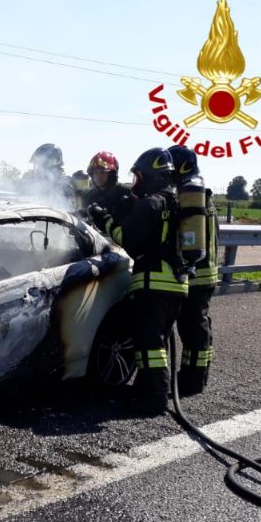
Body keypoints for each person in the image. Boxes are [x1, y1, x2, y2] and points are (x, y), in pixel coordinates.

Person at [89, 148, 187, 414]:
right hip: (177, 283)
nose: (137, 181)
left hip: (153, 282)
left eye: (140, 176)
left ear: (151, 176)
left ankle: (154, 400)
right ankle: (148, 391)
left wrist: (104, 219)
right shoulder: (178, 202)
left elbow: (126, 238)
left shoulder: (150, 204)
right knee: (159, 343)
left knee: (148, 346)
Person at [167, 144, 218, 395]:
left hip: (197, 273)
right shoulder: (200, 193)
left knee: (193, 328)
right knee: (196, 326)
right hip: (202, 272)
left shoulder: (191, 194)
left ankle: (193, 381)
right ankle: (193, 377)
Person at [83, 151, 134, 224]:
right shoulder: (90, 196)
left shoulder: (128, 192)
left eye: (103, 172)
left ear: (112, 174)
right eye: (95, 173)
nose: (98, 177)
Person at [20, 143, 74, 208]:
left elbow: (67, 212)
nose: (37, 170)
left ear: (50, 164)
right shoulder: (44, 186)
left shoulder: (63, 186)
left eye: (40, 165)